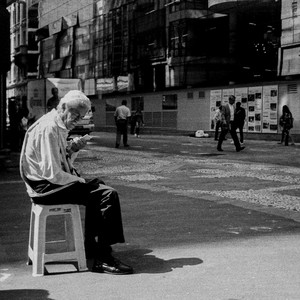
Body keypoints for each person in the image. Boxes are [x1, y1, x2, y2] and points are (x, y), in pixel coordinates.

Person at [19, 90, 133, 275]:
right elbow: (54, 173)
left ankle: (91, 245)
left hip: (45, 182)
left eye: (81, 116)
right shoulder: (49, 128)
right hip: (44, 187)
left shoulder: (56, 124)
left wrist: (72, 150)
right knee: (107, 194)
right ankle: (103, 258)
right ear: (63, 107)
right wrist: (80, 180)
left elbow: (59, 162)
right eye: (75, 114)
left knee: (99, 185)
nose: (77, 120)